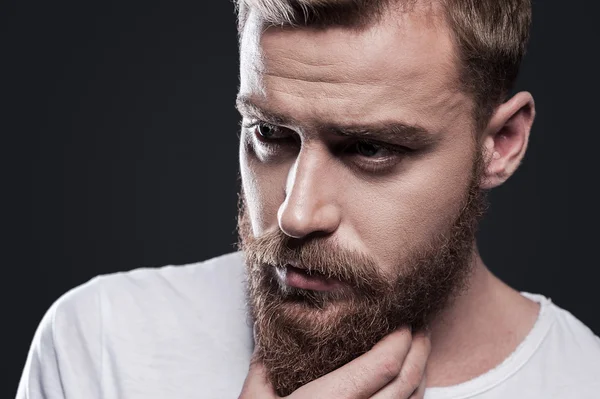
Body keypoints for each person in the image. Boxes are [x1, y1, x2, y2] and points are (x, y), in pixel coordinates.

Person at [17, 0, 600, 398]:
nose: (295, 214)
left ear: (500, 143)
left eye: (371, 148)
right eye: (269, 134)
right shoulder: (100, 344)